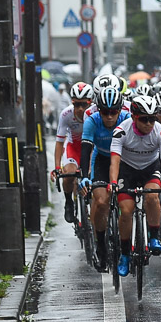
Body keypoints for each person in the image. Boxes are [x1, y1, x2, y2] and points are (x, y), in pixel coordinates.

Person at [108, 94, 161, 277]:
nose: (149, 124)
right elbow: (115, 161)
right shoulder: (121, 131)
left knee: (152, 196)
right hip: (126, 170)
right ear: (134, 117)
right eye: (144, 119)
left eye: (152, 119)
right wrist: (113, 183)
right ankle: (125, 255)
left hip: (149, 168)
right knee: (126, 210)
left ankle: (153, 237)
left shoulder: (160, 132)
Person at [80, 86, 132, 270]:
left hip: (124, 160)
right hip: (101, 160)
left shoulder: (127, 119)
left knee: (128, 201)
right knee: (101, 202)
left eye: (113, 112)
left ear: (120, 110)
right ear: (98, 110)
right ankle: (100, 245)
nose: (109, 116)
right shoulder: (92, 121)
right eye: (105, 112)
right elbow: (85, 150)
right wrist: (84, 177)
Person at [54, 83, 93, 223]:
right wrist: (58, 167)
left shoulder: (95, 113)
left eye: (84, 104)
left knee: (92, 176)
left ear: (91, 102)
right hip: (73, 148)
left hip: (91, 149)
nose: (80, 109)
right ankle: (69, 202)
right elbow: (59, 142)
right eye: (77, 105)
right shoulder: (66, 114)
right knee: (68, 174)